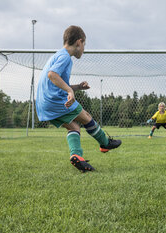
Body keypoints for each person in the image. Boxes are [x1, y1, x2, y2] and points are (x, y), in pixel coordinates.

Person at [36, 25, 121, 173]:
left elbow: (56, 82)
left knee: (74, 127)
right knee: (86, 117)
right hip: (56, 100)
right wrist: (69, 90)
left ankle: (76, 156)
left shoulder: (57, 55)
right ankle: (105, 143)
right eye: (84, 45)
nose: (84, 49)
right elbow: (52, 75)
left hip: (44, 103)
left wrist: (76, 87)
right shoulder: (65, 57)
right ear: (79, 42)